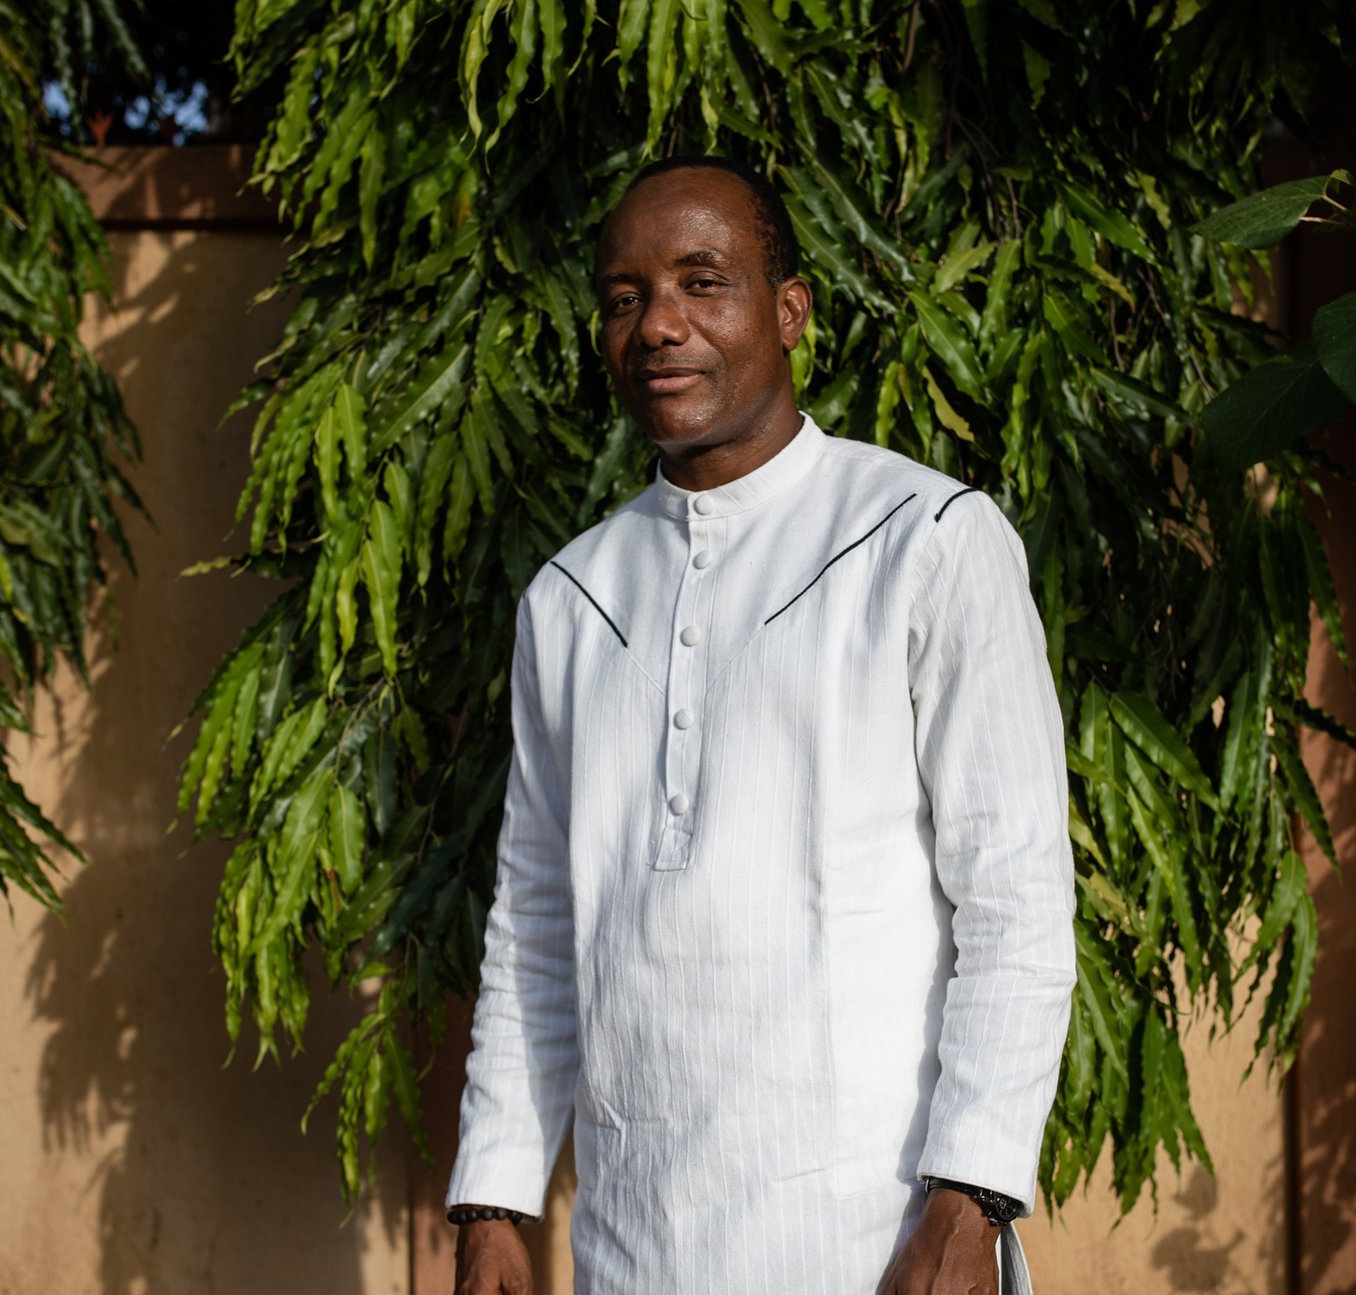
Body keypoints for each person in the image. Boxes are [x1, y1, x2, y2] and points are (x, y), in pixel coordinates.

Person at [446, 155, 1075, 1295]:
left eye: (701, 282)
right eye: (624, 297)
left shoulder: (926, 538)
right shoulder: (571, 598)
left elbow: (1017, 897)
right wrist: (493, 1202)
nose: (657, 326)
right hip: (633, 1249)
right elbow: (538, 920)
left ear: (790, 312)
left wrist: (970, 1197)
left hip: (879, 1243)